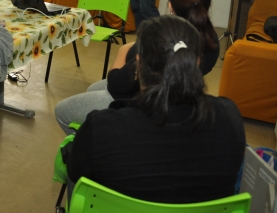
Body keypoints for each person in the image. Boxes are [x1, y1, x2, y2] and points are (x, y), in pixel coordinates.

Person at [66, 15, 245, 203]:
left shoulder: (101, 128)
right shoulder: (229, 118)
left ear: (138, 64)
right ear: (197, 63)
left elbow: (77, 174)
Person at [55, 0, 220, 135]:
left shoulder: (155, 40)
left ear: (170, 6)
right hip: (176, 96)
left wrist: (123, 51)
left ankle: (92, 148)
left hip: (137, 101)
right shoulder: (212, 41)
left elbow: (117, 84)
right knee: (92, 88)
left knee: (61, 111)